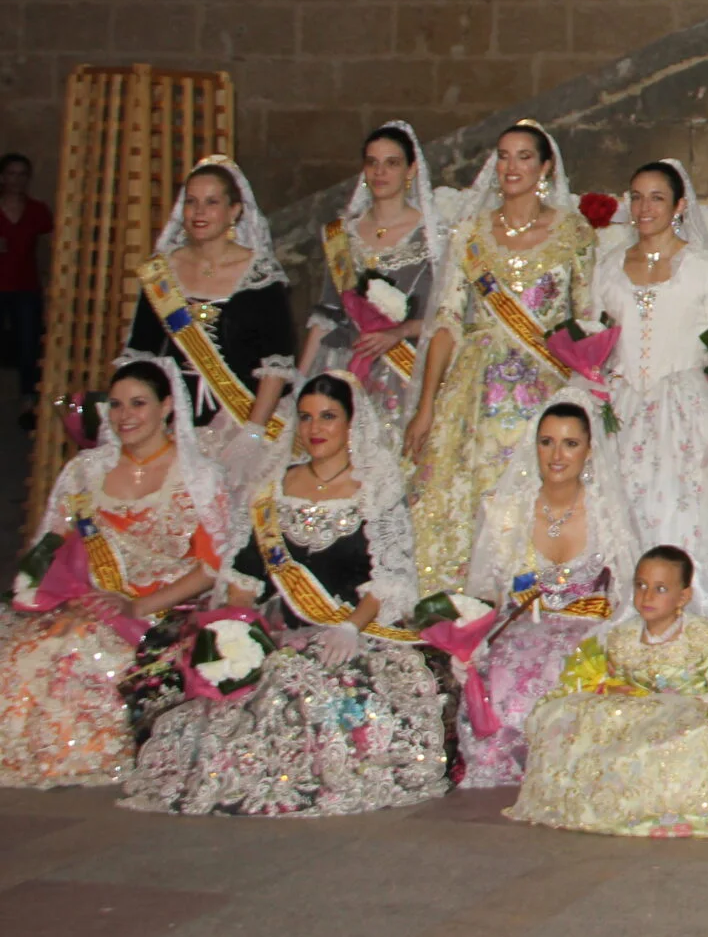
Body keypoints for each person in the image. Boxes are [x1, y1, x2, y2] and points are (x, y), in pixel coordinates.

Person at [124, 371, 446, 817]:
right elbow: (246, 575)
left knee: (309, 694)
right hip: (278, 632)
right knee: (233, 702)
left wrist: (351, 627)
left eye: (329, 417)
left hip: (350, 636)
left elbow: (389, 576)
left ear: (352, 422)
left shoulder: (374, 487)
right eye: (307, 417)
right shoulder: (275, 486)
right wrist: (230, 636)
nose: (316, 428)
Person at [0, 359, 223, 788]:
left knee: (78, 655)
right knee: (24, 652)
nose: (125, 416)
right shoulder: (86, 471)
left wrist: (137, 604)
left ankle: (77, 755)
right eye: (117, 405)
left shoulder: (198, 476)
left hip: (161, 613)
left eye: (138, 403)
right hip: (93, 604)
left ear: (167, 407)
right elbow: (52, 544)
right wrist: (52, 590)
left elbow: (211, 569)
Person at [405, 121, 597, 594]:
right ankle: (458, 607)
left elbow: (586, 320)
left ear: (545, 166)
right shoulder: (471, 233)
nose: (512, 167)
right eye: (504, 156)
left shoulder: (574, 232)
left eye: (524, 157)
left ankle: (527, 594)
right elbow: (448, 321)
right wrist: (427, 403)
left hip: (544, 391)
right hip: (474, 391)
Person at [509, 544, 708, 837]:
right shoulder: (620, 637)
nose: (646, 596)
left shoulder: (704, 636)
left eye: (660, 588)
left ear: (683, 596)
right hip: (639, 721)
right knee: (576, 715)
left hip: (694, 717)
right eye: (641, 585)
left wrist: (676, 709)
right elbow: (616, 685)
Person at [458, 386, 641, 787]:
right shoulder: (504, 509)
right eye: (547, 442)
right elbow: (483, 592)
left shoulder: (607, 509)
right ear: (534, 446)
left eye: (570, 443)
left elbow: (630, 590)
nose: (557, 456)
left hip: (590, 637)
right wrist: (467, 644)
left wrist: (616, 637)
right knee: (505, 691)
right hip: (519, 634)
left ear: (589, 450)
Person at [597, 160, 708, 615]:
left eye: (656, 197)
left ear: (679, 205)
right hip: (620, 409)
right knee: (617, 518)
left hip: (682, 411)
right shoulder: (608, 267)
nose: (644, 207)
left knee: (677, 520)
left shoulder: (706, 270)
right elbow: (597, 340)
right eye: (636, 197)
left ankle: (687, 627)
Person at [123, 156, 298, 503]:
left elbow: (277, 365)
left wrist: (251, 434)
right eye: (191, 201)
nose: (199, 212)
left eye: (212, 202)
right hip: (175, 420)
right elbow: (141, 354)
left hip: (244, 416)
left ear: (234, 211)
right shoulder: (162, 273)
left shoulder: (260, 275)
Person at [300, 122, 437, 424]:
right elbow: (327, 315)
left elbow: (448, 315)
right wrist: (302, 381)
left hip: (406, 370)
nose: (380, 172)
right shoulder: (342, 235)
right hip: (345, 362)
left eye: (392, 163)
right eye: (372, 163)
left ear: (411, 169)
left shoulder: (433, 237)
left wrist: (399, 331)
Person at [0, 152, 52, 431]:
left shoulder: (37, 210)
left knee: (28, 345)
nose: (16, 180)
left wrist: (48, 282)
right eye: (11, 173)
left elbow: (46, 248)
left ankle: (28, 402)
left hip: (26, 286)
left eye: (22, 174)